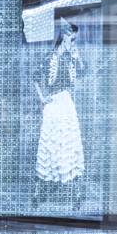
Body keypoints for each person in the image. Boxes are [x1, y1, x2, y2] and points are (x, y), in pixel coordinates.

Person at [36, 18, 85, 190]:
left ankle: (73, 189)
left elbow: (82, 73)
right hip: (52, 104)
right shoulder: (51, 56)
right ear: (65, 36)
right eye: (73, 38)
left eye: (75, 39)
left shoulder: (71, 57)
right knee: (50, 143)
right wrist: (42, 98)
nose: (74, 42)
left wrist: (77, 59)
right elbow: (36, 76)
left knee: (68, 143)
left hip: (66, 102)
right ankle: (45, 186)